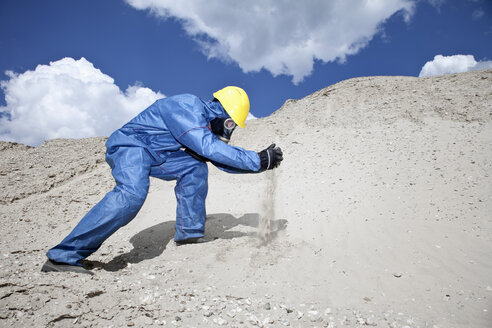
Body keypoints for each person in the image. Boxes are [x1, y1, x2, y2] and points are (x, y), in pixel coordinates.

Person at [41, 86, 283, 275]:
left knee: (195, 168)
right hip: (130, 145)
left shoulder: (202, 127)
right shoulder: (187, 106)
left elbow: (217, 158)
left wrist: (262, 163)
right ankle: (63, 255)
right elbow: (207, 147)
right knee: (132, 194)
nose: (229, 130)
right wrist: (255, 159)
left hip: (159, 156)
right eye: (230, 124)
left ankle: (189, 234)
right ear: (222, 112)